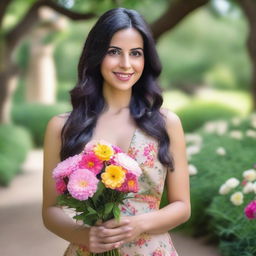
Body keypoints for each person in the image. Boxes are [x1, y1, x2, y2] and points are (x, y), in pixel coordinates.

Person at [42, 7, 190, 256]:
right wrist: (85, 236)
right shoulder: (62, 127)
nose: (125, 64)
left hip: (152, 250)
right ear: (96, 55)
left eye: (136, 53)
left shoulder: (166, 123)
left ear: (146, 59)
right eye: (114, 52)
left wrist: (138, 224)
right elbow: (50, 210)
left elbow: (182, 206)